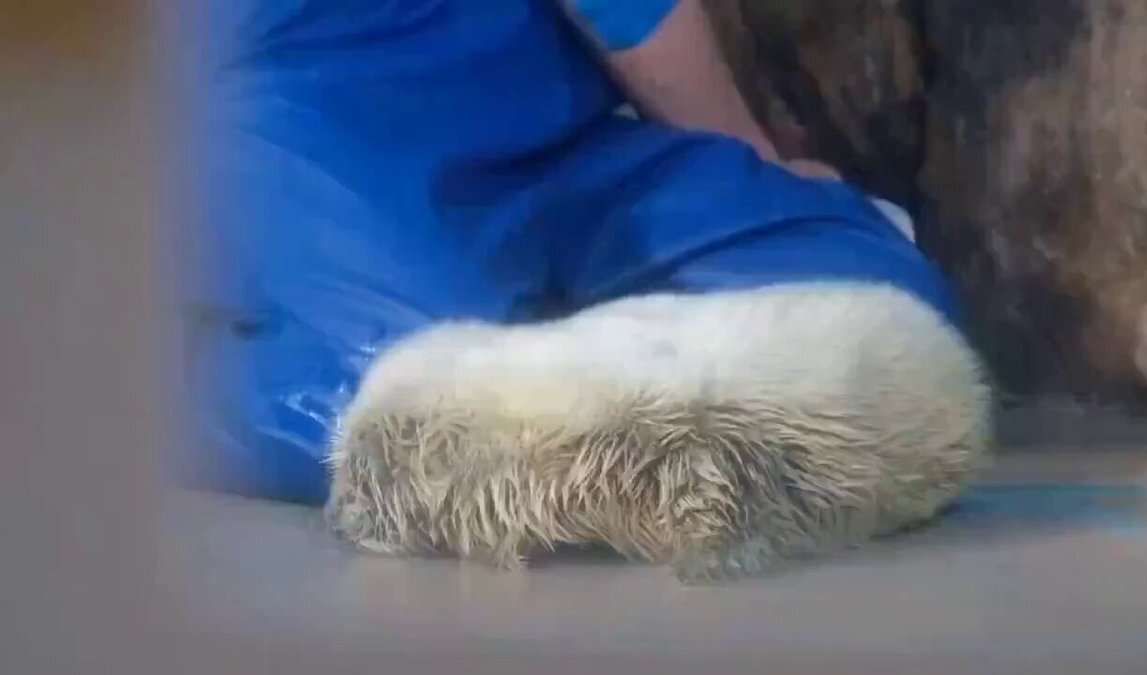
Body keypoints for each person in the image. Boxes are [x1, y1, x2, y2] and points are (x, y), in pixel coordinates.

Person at [180, 0, 965, 504]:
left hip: (541, 131)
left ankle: (549, 368)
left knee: (877, 314)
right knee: (434, 425)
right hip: (300, 119)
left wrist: (753, 167)